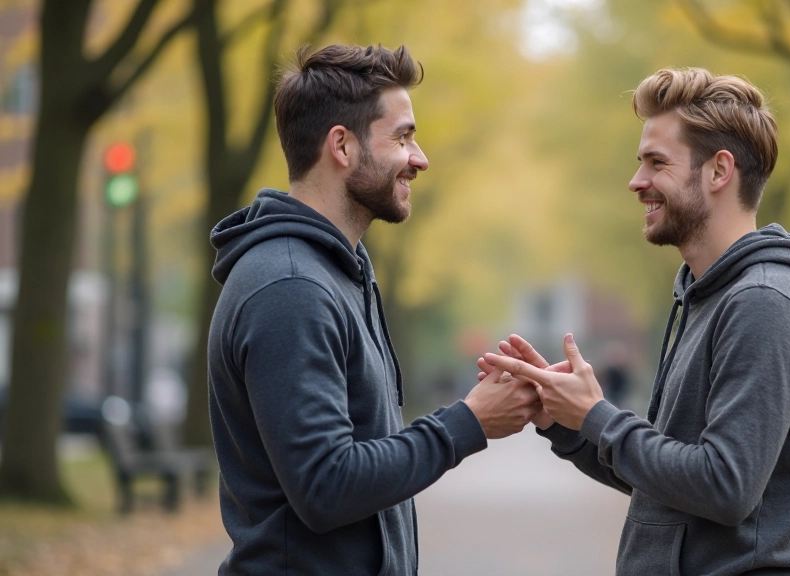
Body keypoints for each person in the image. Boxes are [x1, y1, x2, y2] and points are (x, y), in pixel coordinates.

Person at [483, 67, 790, 575]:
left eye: (656, 163)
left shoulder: (764, 302)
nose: (637, 182)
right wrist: (566, 422)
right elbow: (669, 482)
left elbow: (724, 487)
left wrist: (597, 416)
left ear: (719, 171)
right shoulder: (709, 297)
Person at [206, 44, 540, 575]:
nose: (420, 157)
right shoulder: (291, 287)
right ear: (341, 145)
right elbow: (326, 486)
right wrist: (468, 422)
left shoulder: (339, 270)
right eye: (403, 136)